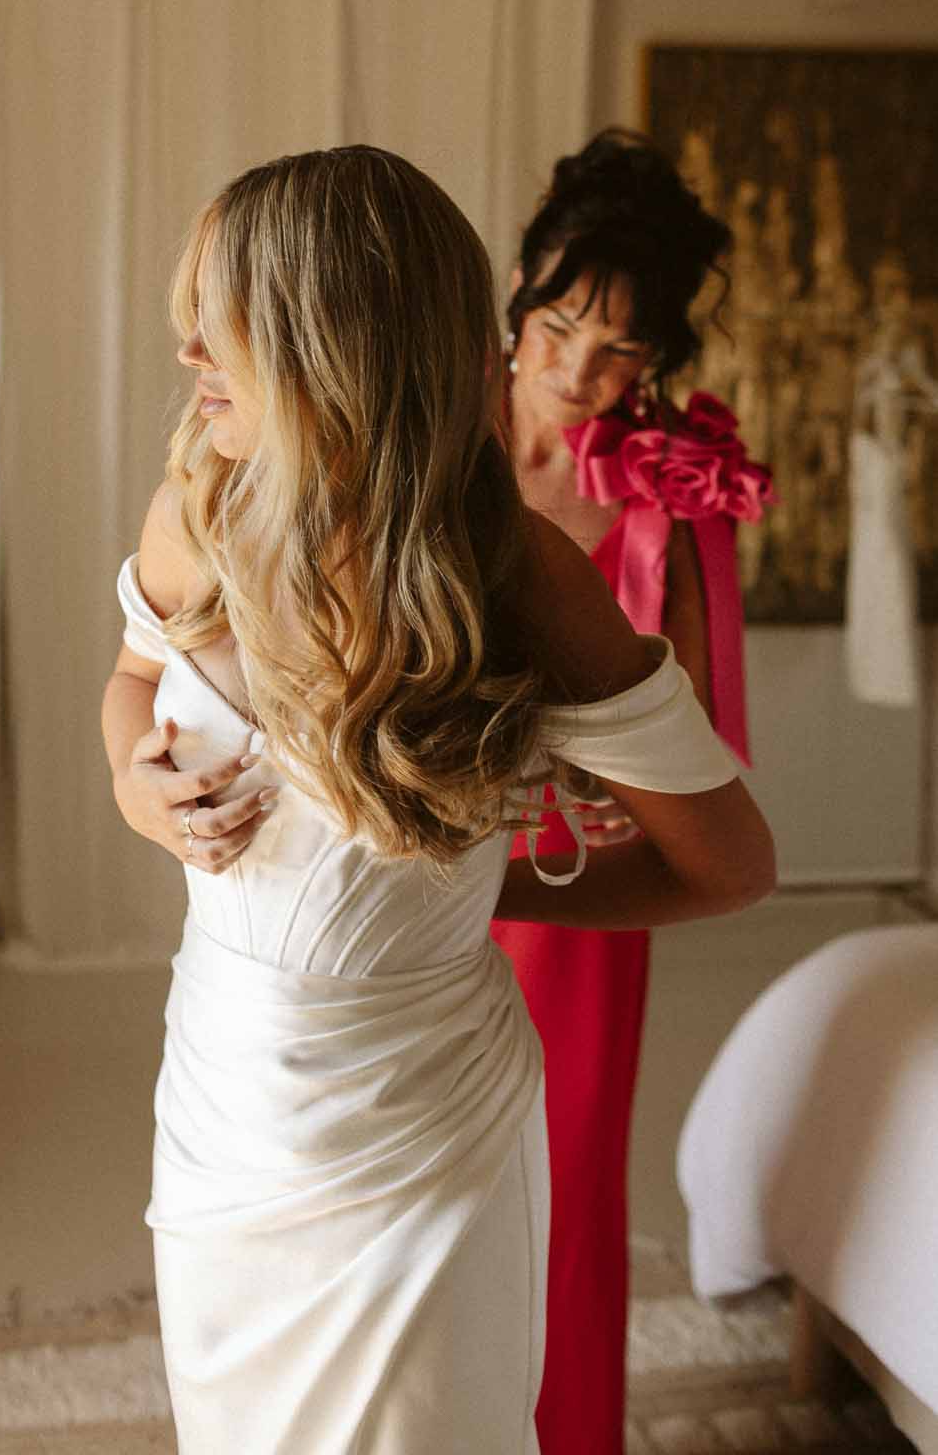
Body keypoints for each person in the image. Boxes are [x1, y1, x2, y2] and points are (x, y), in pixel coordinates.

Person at [103, 145, 775, 1454]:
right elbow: (132, 683)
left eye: (220, 321)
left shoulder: (518, 578)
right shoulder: (197, 512)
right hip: (220, 1105)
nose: (188, 352)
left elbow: (728, 865)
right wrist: (138, 787)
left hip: (420, 1133)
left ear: (334, 341)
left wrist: (479, 897)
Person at [491, 127, 774, 1455]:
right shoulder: (436, 433)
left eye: (617, 351)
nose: (573, 372)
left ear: (655, 359)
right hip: (423, 839)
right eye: (555, 328)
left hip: (577, 880)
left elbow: (696, 722)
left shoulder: (674, 488)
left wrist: (637, 791)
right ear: (516, 297)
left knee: (564, 1176)